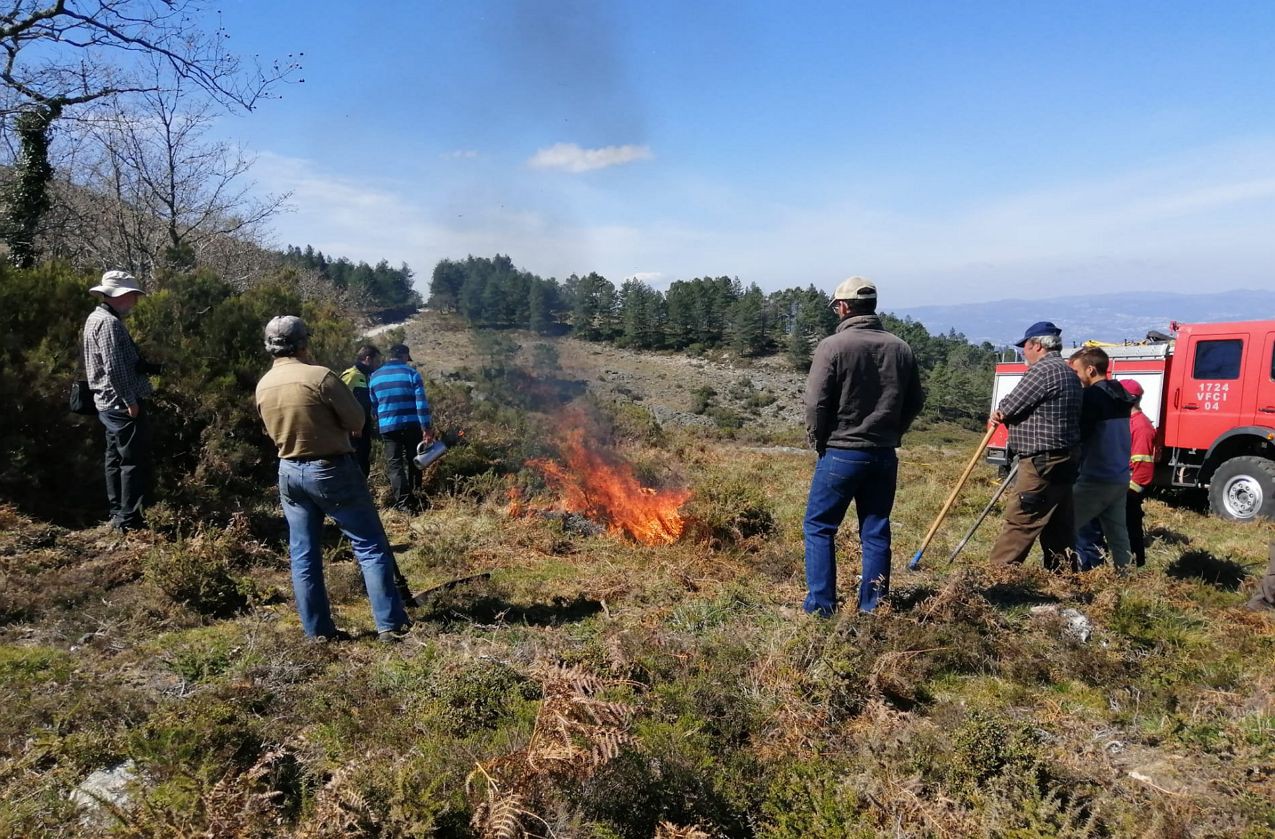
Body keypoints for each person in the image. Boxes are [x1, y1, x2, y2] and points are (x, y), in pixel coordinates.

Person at [254, 316, 411, 642]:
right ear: (302, 342)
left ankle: (317, 632)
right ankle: (390, 625)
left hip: (288, 471)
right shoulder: (320, 377)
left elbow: (268, 432)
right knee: (369, 546)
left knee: (303, 554)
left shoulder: (264, 384)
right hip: (331, 468)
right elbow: (357, 419)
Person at [801, 276, 924, 615]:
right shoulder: (900, 347)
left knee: (819, 526)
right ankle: (873, 607)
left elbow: (815, 402)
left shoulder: (833, 347)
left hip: (842, 451)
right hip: (883, 454)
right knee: (875, 528)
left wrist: (818, 439)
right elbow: (915, 400)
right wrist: (892, 431)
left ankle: (821, 607)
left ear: (843, 307)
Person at [988, 321, 1083, 570]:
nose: (1023, 352)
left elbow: (1010, 406)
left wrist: (1000, 413)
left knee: (1021, 519)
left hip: (1042, 461)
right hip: (1066, 458)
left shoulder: (1043, 371)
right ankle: (1062, 577)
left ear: (1037, 345)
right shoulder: (1067, 372)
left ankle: (997, 576)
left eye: (1025, 347)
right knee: (1058, 522)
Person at [82, 270, 160, 534]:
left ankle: (119, 514)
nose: (135, 302)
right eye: (132, 296)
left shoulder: (97, 318)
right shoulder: (109, 323)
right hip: (119, 403)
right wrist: (129, 400)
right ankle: (129, 519)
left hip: (107, 401)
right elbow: (114, 367)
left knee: (115, 457)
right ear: (121, 295)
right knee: (131, 461)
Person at [1067, 347, 1135, 572]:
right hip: (1119, 477)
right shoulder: (1121, 394)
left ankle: (1059, 576)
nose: (1075, 377)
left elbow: (1080, 436)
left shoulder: (1093, 397)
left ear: (1090, 369)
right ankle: (1126, 577)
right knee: (1117, 534)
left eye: (1076, 371)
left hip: (1096, 477)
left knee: (1064, 527)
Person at [368, 343, 433, 511]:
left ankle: (403, 504)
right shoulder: (412, 374)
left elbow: (374, 406)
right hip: (411, 424)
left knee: (395, 465)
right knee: (415, 461)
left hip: (389, 427)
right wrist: (426, 428)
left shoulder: (374, 376)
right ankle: (417, 497)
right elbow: (421, 404)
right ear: (404, 356)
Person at [1123, 379, 1156, 567]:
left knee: (1131, 528)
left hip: (1130, 487)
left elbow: (1143, 468)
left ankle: (1136, 565)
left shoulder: (1141, 427)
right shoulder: (1130, 422)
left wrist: (1131, 492)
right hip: (1122, 484)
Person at [340, 345, 382, 476]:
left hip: (364, 430)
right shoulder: (350, 376)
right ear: (368, 359)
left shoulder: (368, 377)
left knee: (364, 465)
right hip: (352, 434)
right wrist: (351, 424)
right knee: (354, 467)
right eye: (376, 361)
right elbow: (340, 403)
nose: (377, 364)